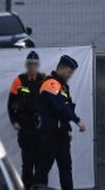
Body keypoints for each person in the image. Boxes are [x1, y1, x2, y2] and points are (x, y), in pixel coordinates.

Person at [35, 55, 87, 190]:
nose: (70, 75)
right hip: (49, 135)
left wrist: (68, 128)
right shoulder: (51, 83)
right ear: (62, 68)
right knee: (43, 170)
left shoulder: (63, 87)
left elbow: (65, 109)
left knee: (66, 170)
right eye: (69, 72)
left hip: (62, 135)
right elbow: (59, 106)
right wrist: (77, 120)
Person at [8, 51, 46, 183]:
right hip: (26, 127)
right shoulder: (19, 80)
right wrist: (14, 121)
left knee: (41, 165)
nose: (32, 67)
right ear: (26, 65)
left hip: (41, 128)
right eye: (30, 64)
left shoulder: (44, 79)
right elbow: (11, 103)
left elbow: (52, 102)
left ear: (38, 65)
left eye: (35, 64)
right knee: (28, 164)